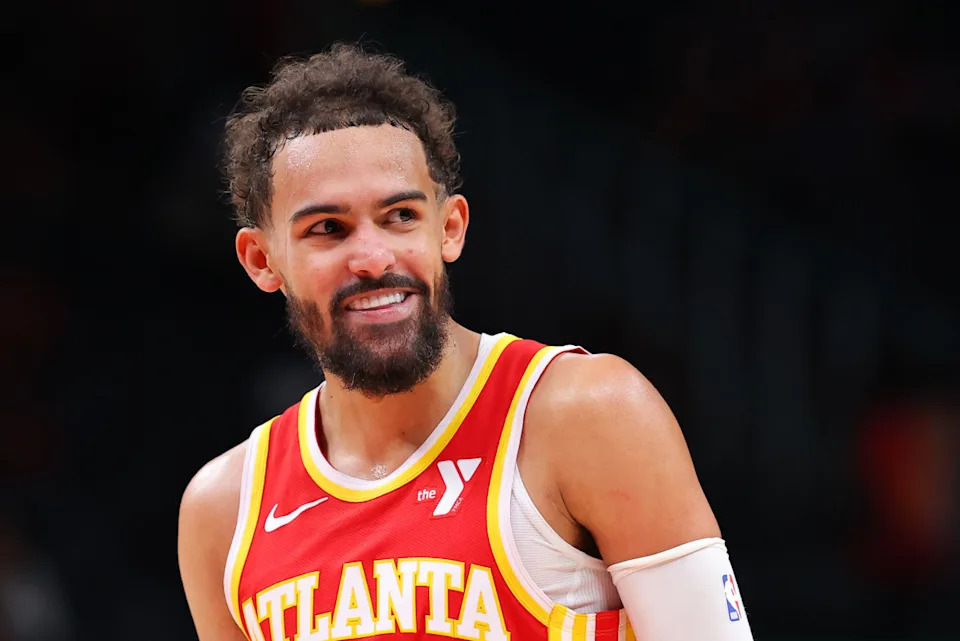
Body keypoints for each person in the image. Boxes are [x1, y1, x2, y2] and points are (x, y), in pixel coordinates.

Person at [178, 42, 755, 641]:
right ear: (261, 260)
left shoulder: (587, 414)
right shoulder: (224, 511)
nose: (374, 258)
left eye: (400, 215)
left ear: (448, 227)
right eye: (329, 229)